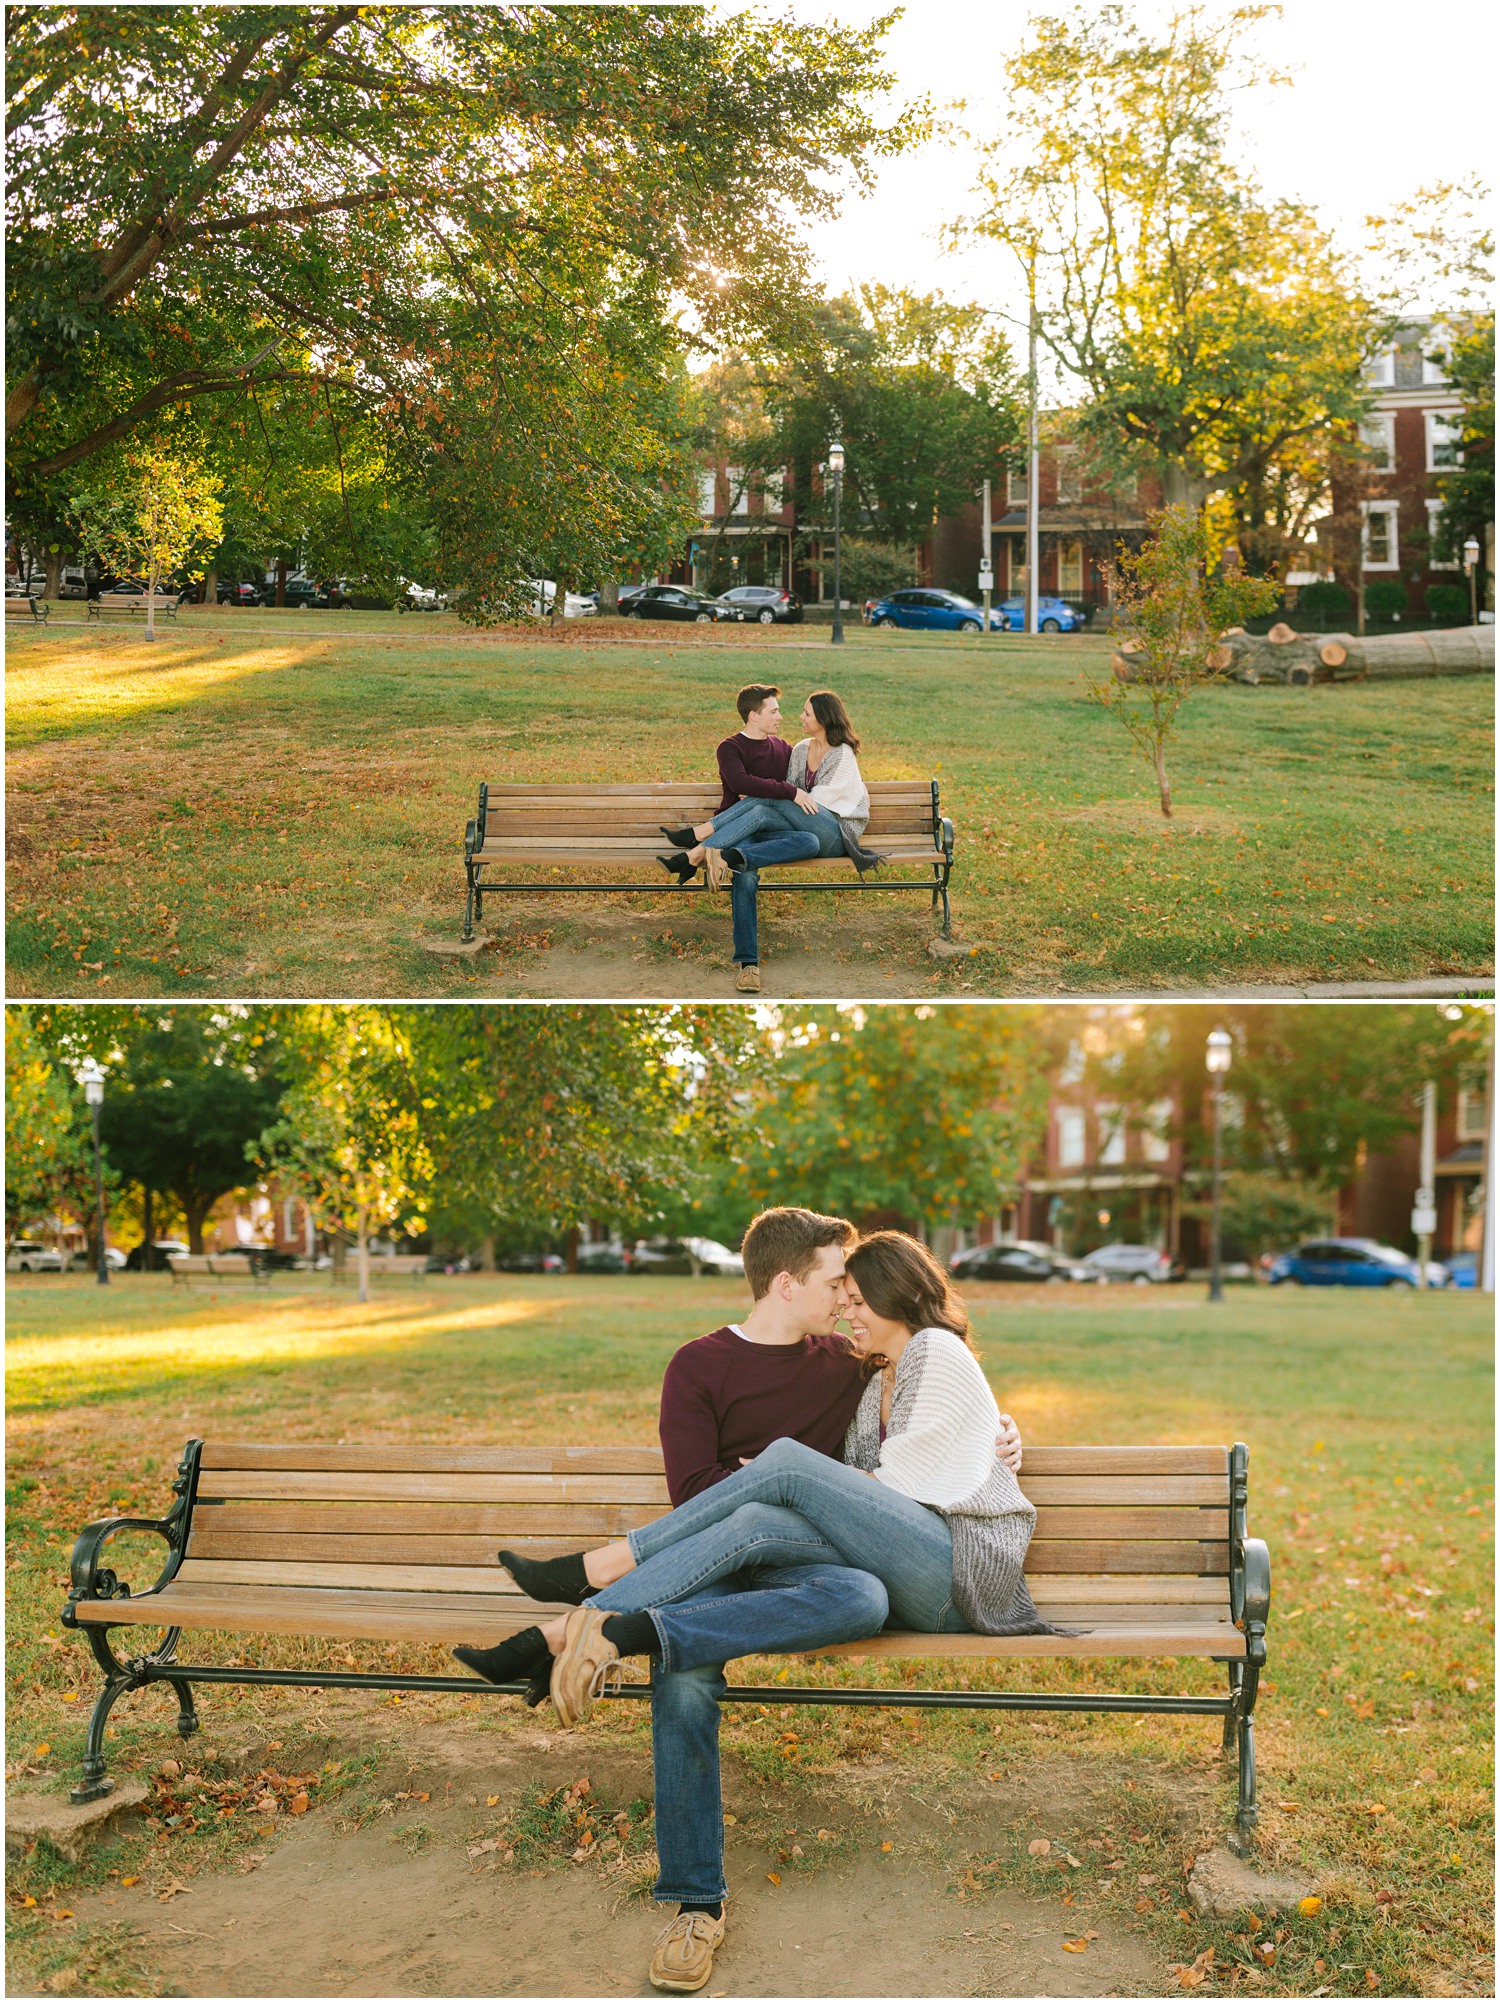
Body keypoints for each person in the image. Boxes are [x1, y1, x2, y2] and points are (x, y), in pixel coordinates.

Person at [452, 1208, 1024, 1994]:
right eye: (836, 1287)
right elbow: (694, 1492)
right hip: (715, 1561)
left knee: (848, 1578)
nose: (844, 1304)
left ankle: (580, 1605)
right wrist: (790, 1483)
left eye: (855, 1293)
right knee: (685, 1664)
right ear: (787, 1284)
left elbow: (943, 1426)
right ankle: (693, 1903)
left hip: (840, 1566)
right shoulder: (702, 1364)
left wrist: (996, 1432)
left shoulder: (853, 1360)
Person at [659, 692, 879, 995]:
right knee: (779, 841)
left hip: (836, 832)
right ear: (754, 715)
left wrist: (782, 795)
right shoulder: (799, 750)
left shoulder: (842, 754)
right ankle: (747, 960)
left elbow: (814, 799)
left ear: (824, 720)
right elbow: (787, 792)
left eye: (806, 714)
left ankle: (697, 846)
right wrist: (782, 796)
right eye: (796, 712)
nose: (797, 718)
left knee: (770, 801)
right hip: (798, 832)